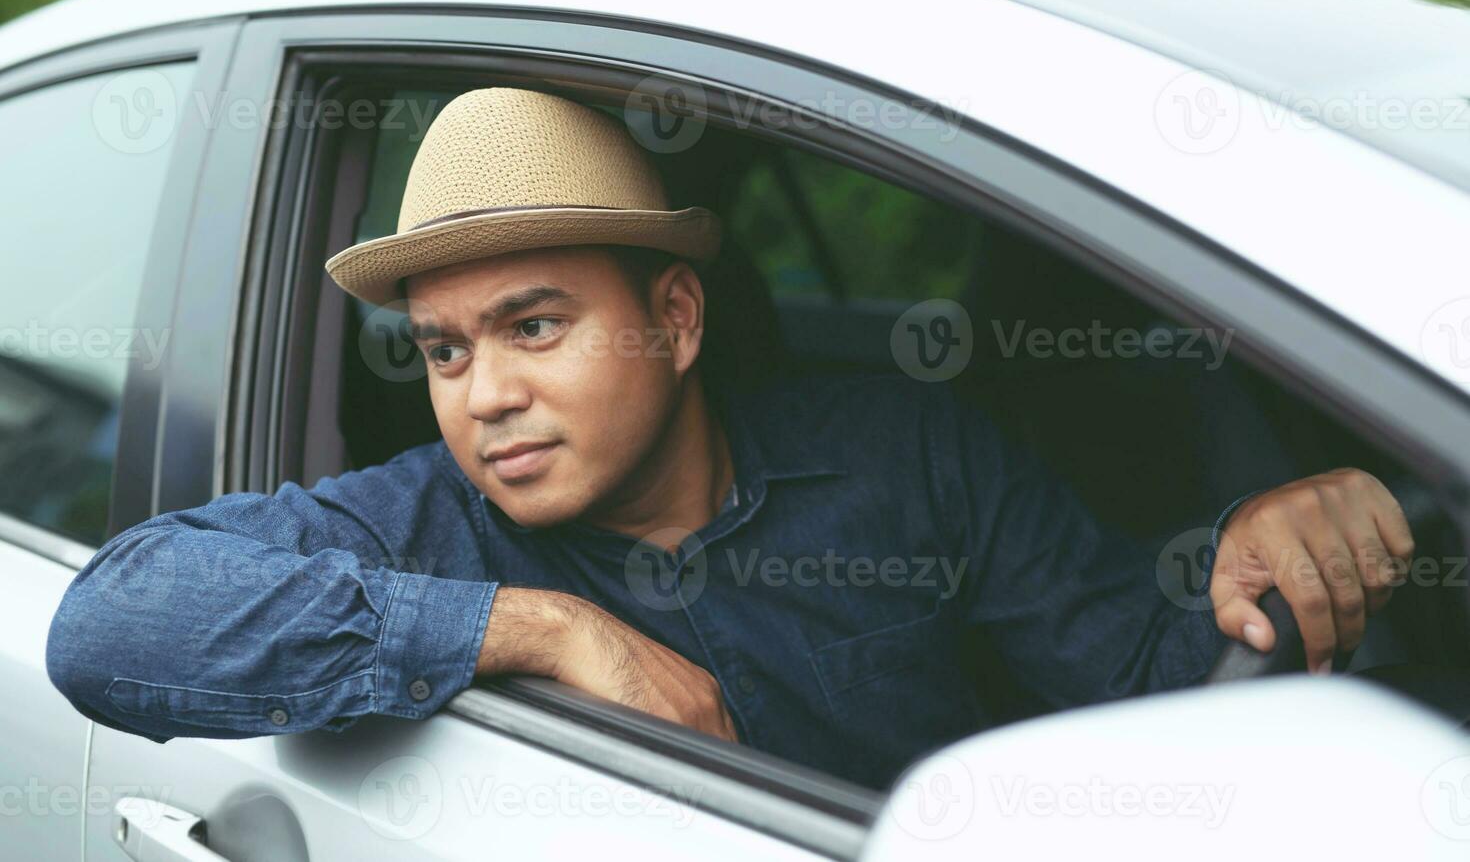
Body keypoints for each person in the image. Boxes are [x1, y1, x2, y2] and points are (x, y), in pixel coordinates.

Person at [45, 87, 1415, 790]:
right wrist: (542, 631)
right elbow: (108, 626)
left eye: (534, 325)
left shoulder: (903, 454)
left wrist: (1263, 553)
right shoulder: (422, 523)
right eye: (445, 351)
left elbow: (1140, 682)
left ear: (677, 320)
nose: (482, 396)